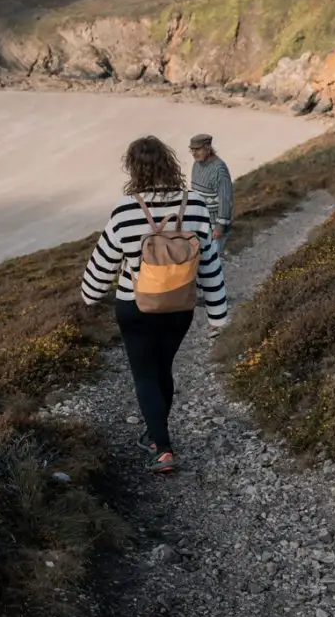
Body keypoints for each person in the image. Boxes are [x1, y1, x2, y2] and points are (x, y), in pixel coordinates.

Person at [79, 136, 229, 474]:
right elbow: (209, 264)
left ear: (133, 168)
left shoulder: (126, 209)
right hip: (179, 307)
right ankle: (154, 433)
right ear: (170, 163)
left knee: (145, 373)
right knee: (162, 368)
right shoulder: (194, 206)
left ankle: (161, 448)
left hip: (136, 307)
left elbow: (103, 261)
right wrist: (218, 312)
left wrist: (90, 295)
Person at [188, 133, 234, 254]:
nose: (194, 153)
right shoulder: (196, 165)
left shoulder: (219, 169)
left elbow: (226, 199)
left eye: (197, 150)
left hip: (215, 227)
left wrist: (220, 226)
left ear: (208, 148)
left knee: (214, 261)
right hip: (200, 225)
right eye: (192, 150)